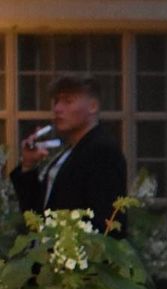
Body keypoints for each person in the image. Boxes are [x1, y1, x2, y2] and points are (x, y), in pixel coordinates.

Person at [10, 75, 127, 234]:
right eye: (57, 101)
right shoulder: (70, 151)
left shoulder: (102, 150)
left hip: (75, 246)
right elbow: (37, 210)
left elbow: (106, 219)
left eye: (68, 101)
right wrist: (28, 165)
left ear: (92, 106)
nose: (57, 109)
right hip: (50, 245)